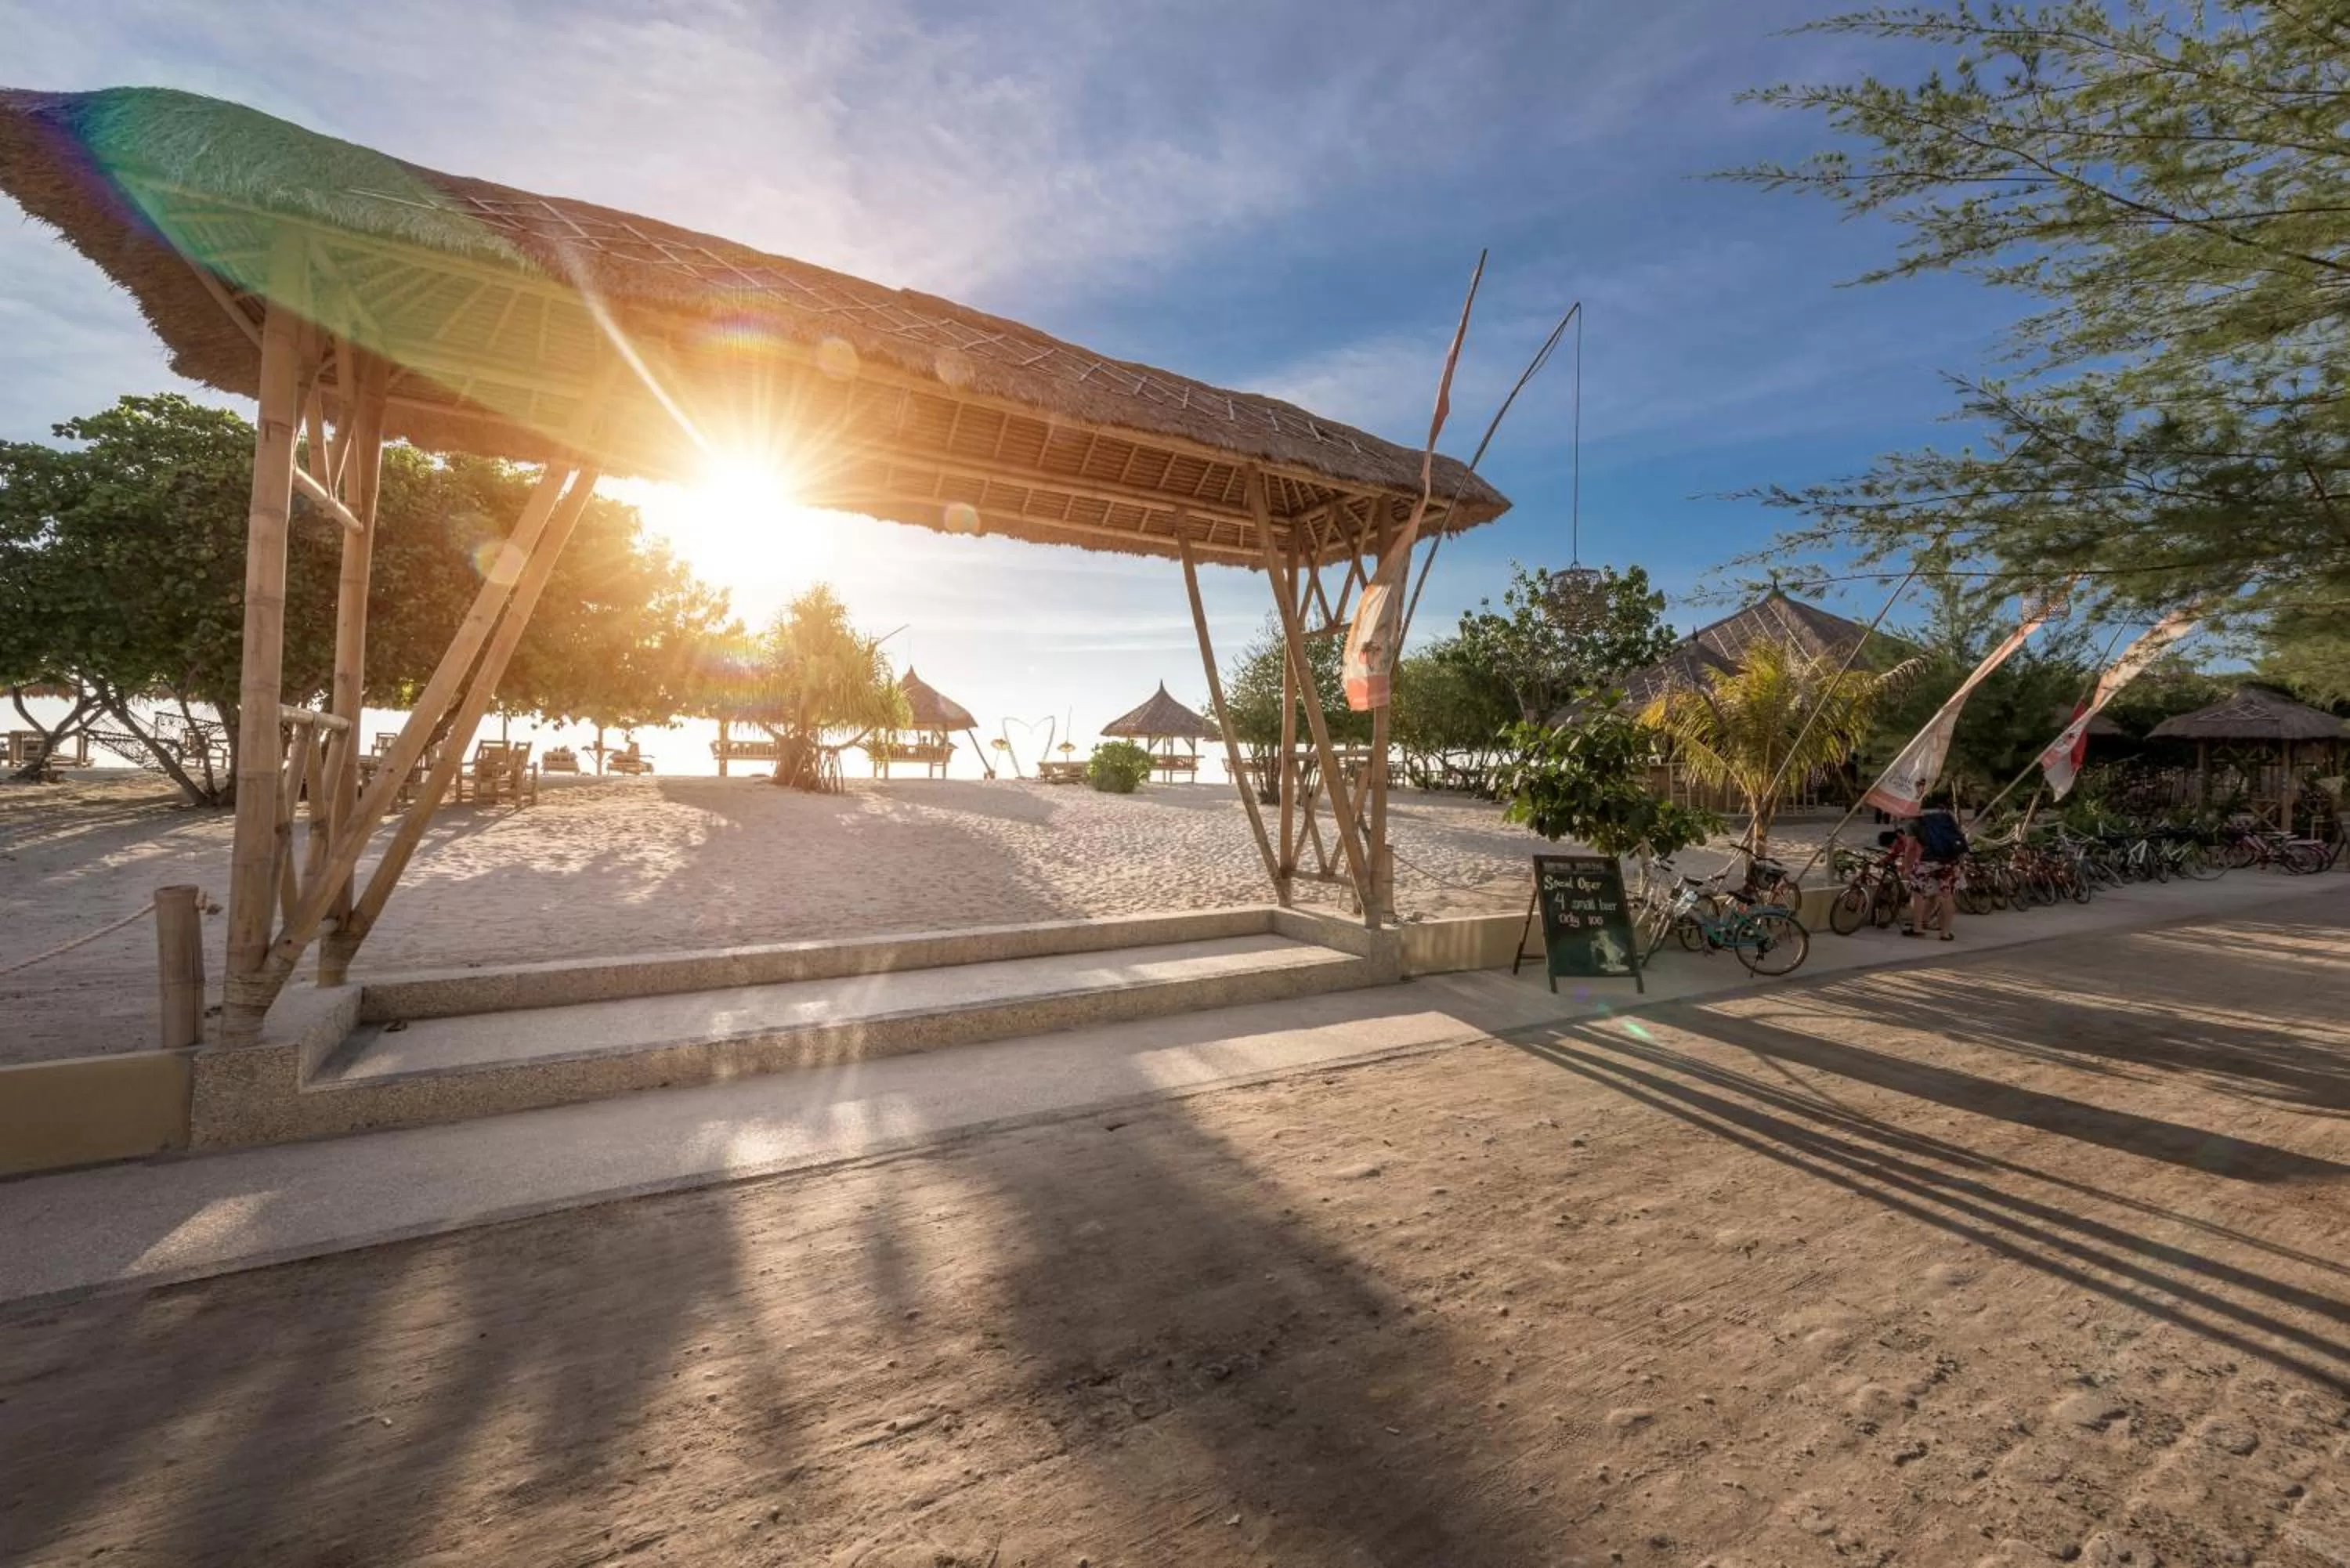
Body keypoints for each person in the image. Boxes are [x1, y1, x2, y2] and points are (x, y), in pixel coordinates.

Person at [1902, 807, 1966, 940]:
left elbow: (1910, 848)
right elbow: (1957, 837)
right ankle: (1945, 933)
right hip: (1949, 861)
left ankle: (1918, 928)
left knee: (1918, 893)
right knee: (1947, 895)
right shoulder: (1945, 817)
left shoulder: (1913, 822)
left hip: (1928, 861)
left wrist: (1907, 867)